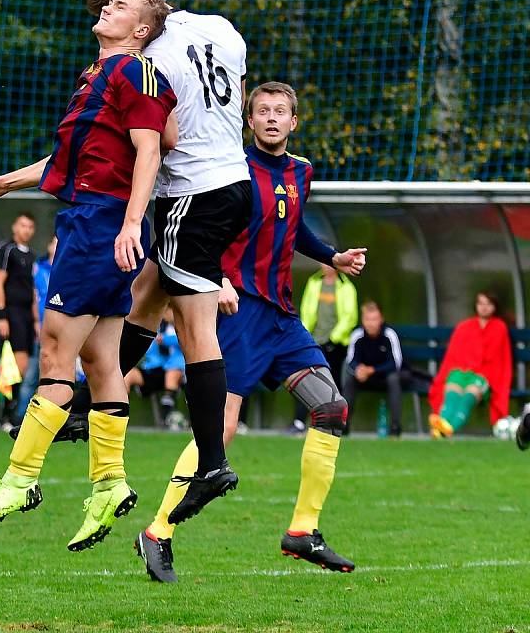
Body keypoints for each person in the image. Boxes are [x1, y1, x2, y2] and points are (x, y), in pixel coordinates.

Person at [0, 0, 177, 553]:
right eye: (109, 1)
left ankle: (20, 479)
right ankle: (109, 484)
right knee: (101, 358)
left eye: (123, 4)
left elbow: (154, 146)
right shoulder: (97, 78)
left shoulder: (136, 72)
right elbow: (74, 156)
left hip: (103, 224)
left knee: (55, 353)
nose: (109, 5)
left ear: (142, 31)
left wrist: (131, 223)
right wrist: (6, 182)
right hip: (91, 220)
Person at [134, 81, 367, 582]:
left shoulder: (301, 172)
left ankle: (303, 531)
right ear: (249, 119)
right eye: (262, 110)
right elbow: (203, 230)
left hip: (281, 316)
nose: (271, 118)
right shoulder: (232, 172)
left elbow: (294, 225)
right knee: (222, 428)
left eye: (280, 111)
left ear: (293, 122)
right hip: (238, 310)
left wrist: (333, 257)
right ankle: (157, 532)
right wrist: (215, 279)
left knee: (331, 407)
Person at [68, 0, 253, 526]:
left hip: (192, 192)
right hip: (236, 183)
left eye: (123, 6)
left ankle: (213, 462)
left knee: (196, 329)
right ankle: (84, 406)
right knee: (147, 293)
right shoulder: (223, 29)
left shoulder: (152, 63)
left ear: (146, 25)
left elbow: (163, 134)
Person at [429, 292, 512, 438]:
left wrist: (480, 373)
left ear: (494, 307)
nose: (484, 307)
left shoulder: (500, 328)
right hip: (461, 372)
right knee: (452, 391)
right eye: (481, 303)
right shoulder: (464, 327)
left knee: (469, 394)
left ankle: (447, 428)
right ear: (476, 305)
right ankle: (442, 425)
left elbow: (499, 361)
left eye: (488, 304)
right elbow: (453, 355)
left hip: (483, 376)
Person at [289, 262, 359, 433]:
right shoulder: (314, 283)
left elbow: (350, 316)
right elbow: (306, 311)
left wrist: (333, 339)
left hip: (336, 345)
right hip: (314, 342)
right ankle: (299, 422)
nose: (326, 265)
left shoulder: (346, 287)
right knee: (306, 378)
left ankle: (339, 424)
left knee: (333, 384)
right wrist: (306, 335)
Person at [0, 212, 39, 431]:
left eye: (30, 226)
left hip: (27, 316)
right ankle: (5, 416)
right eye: (22, 225)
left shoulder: (31, 256)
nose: (26, 230)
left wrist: (36, 321)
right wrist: (2, 316)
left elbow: (31, 291)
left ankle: (14, 414)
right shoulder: (6, 249)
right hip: (12, 313)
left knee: (25, 366)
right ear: (14, 226)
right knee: (14, 366)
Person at [342, 302, 404, 436]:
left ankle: (395, 426)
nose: (371, 323)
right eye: (367, 319)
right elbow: (351, 361)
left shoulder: (389, 335)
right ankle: (344, 425)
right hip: (364, 378)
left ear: (381, 319)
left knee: (394, 379)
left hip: (384, 377)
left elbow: (395, 363)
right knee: (349, 381)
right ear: (362, 320)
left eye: (374, 319)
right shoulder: (357, 335)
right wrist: (359, 370)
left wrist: (372, 370)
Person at [16, 235, 57, 424]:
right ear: (49, 245)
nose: (58, 247)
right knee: (32, 375)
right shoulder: (38, 268)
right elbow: (33, 297)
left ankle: (52, 420)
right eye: (55, 242)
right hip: (41, 331)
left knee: (57, 377)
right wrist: (36, 323)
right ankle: (20, 418)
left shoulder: (67, 270)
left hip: (62, 333)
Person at [124, 306, 186, 427]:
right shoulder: (155, 326)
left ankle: (166, 419)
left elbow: (183, 342)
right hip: (154, 369)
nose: (165, 314)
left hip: (174, 369)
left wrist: (165, 340)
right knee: (127, 375)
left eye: (168, 310)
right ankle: (119, 416)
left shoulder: (183, 328)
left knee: (171, 374)